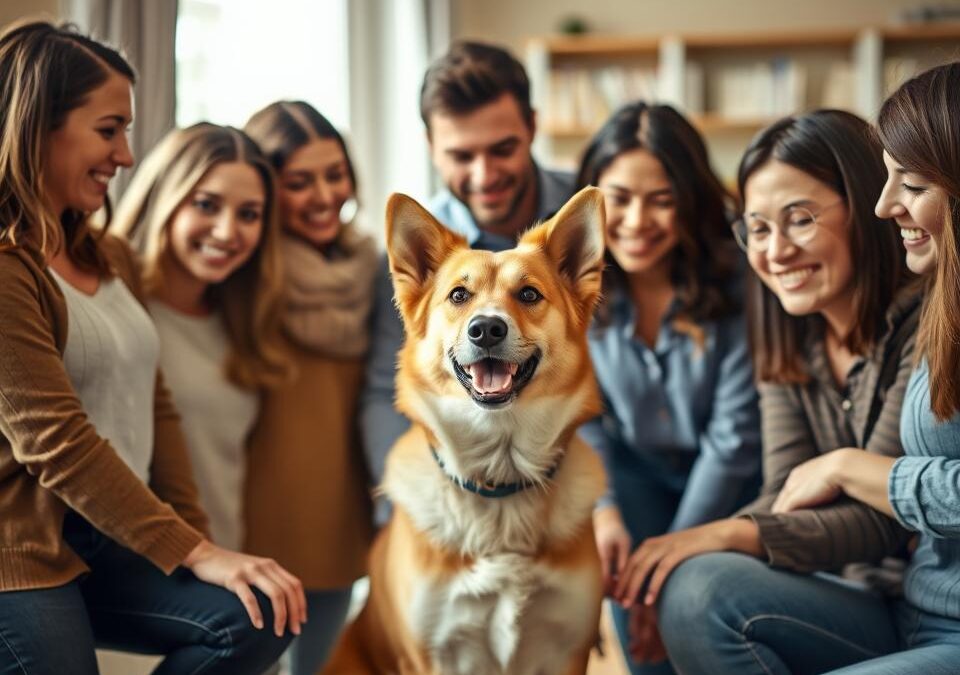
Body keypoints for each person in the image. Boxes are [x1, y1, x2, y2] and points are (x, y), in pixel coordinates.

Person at [0, 20, 304, 675]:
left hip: (104, 536)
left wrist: (201, 544)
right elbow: (56, 441)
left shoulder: (106, 254)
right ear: (39, 125)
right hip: (18, 549)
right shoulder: (7, 267)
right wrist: (196, 553)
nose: (126, 155)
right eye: (109, 130)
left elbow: (155, 404)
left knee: (255, 616)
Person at [665, 62, 960, 675]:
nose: (775, 250)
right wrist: (703, 544)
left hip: (902, 592)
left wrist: (728, 532)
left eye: (800, 219)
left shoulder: (930, 317)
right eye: (757, 229)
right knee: (689, 584)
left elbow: (882, 515)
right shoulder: (788, 335)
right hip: (883, 599)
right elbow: (786, 489)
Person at [575, 101, 761, 674]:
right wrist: (604, 512)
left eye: (662, 199)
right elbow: (583, 413)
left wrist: (668, 556)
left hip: (733, 484)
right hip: (631, 477)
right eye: (619, 198)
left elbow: (734, 440)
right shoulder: (573, 284)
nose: (636, 221)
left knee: (689, 610)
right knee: (638, 625)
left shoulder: (742, 280)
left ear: (691, 200)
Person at [360, 41, 576, 523]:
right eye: (461, 155)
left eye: (502, 149)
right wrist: (402, 510)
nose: (484, 175)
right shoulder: (419, 251)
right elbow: (383, 391)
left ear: (532, 127)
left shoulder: (586, 221)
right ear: (431, 147)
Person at [244, 100, 376, 675]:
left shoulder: (372, 266)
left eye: (335, 174)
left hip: (342, 506)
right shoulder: (246, 269)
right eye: (299, 182)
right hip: (256, 515)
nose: (325, 196)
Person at [113, 122, 290, 551]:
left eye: (249, 214)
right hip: (138, 566)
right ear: (165, 196)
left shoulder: (241, 323)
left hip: (221, 563)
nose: (227, 232)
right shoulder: (117, 309)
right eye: (207, 205)